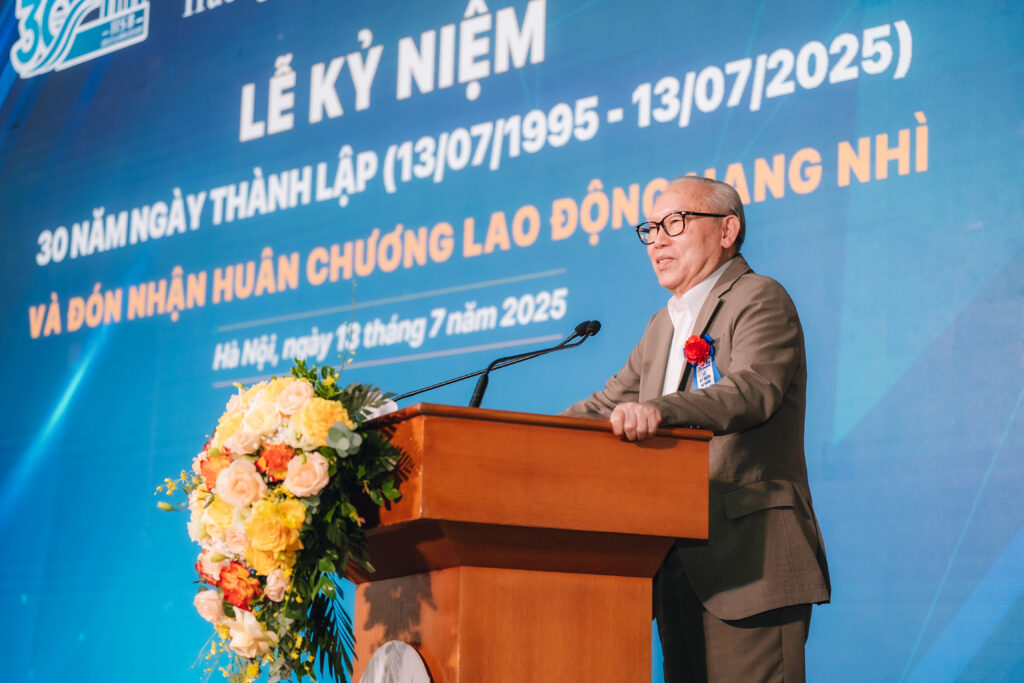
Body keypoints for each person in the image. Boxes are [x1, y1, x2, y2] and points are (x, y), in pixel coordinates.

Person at [563, 176, 830, 683]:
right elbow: (606, 405)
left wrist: (659, 411)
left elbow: (753, 390)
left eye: (675, 223)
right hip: (673, 560)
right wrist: (514, 438)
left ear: (727, 230)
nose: (657, 241)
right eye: (650, 229)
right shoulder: (662, 326)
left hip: (749, 558)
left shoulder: (759, 297)